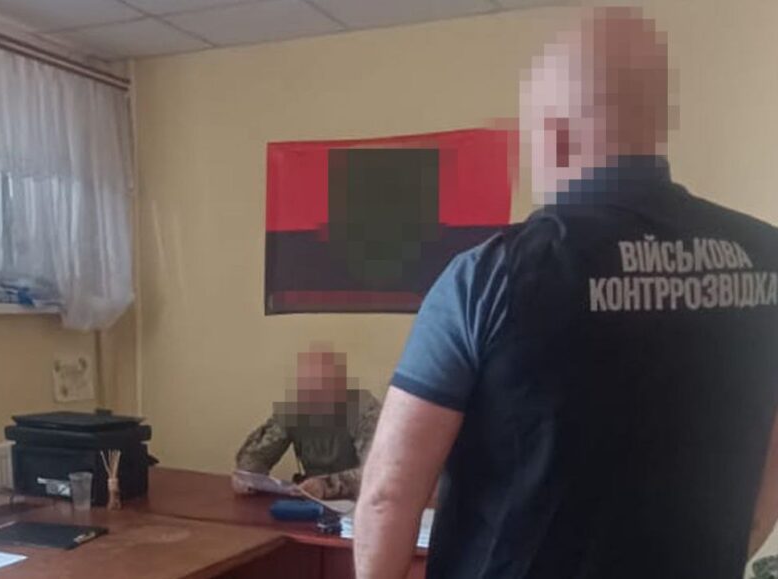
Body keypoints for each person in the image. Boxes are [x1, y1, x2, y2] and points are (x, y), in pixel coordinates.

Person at [355, 7, 778, 579]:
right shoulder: (768, 259)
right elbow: (765, 486)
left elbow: (388, 495)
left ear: (554, 136)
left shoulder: (488, 276)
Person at [233, 345, 381, 499]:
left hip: (360, 502)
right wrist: (247, 476)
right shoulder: (294, 410)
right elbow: (259, 455)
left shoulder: (365, 410)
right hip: (311, 500)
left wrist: (326, 485)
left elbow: (375, 472)